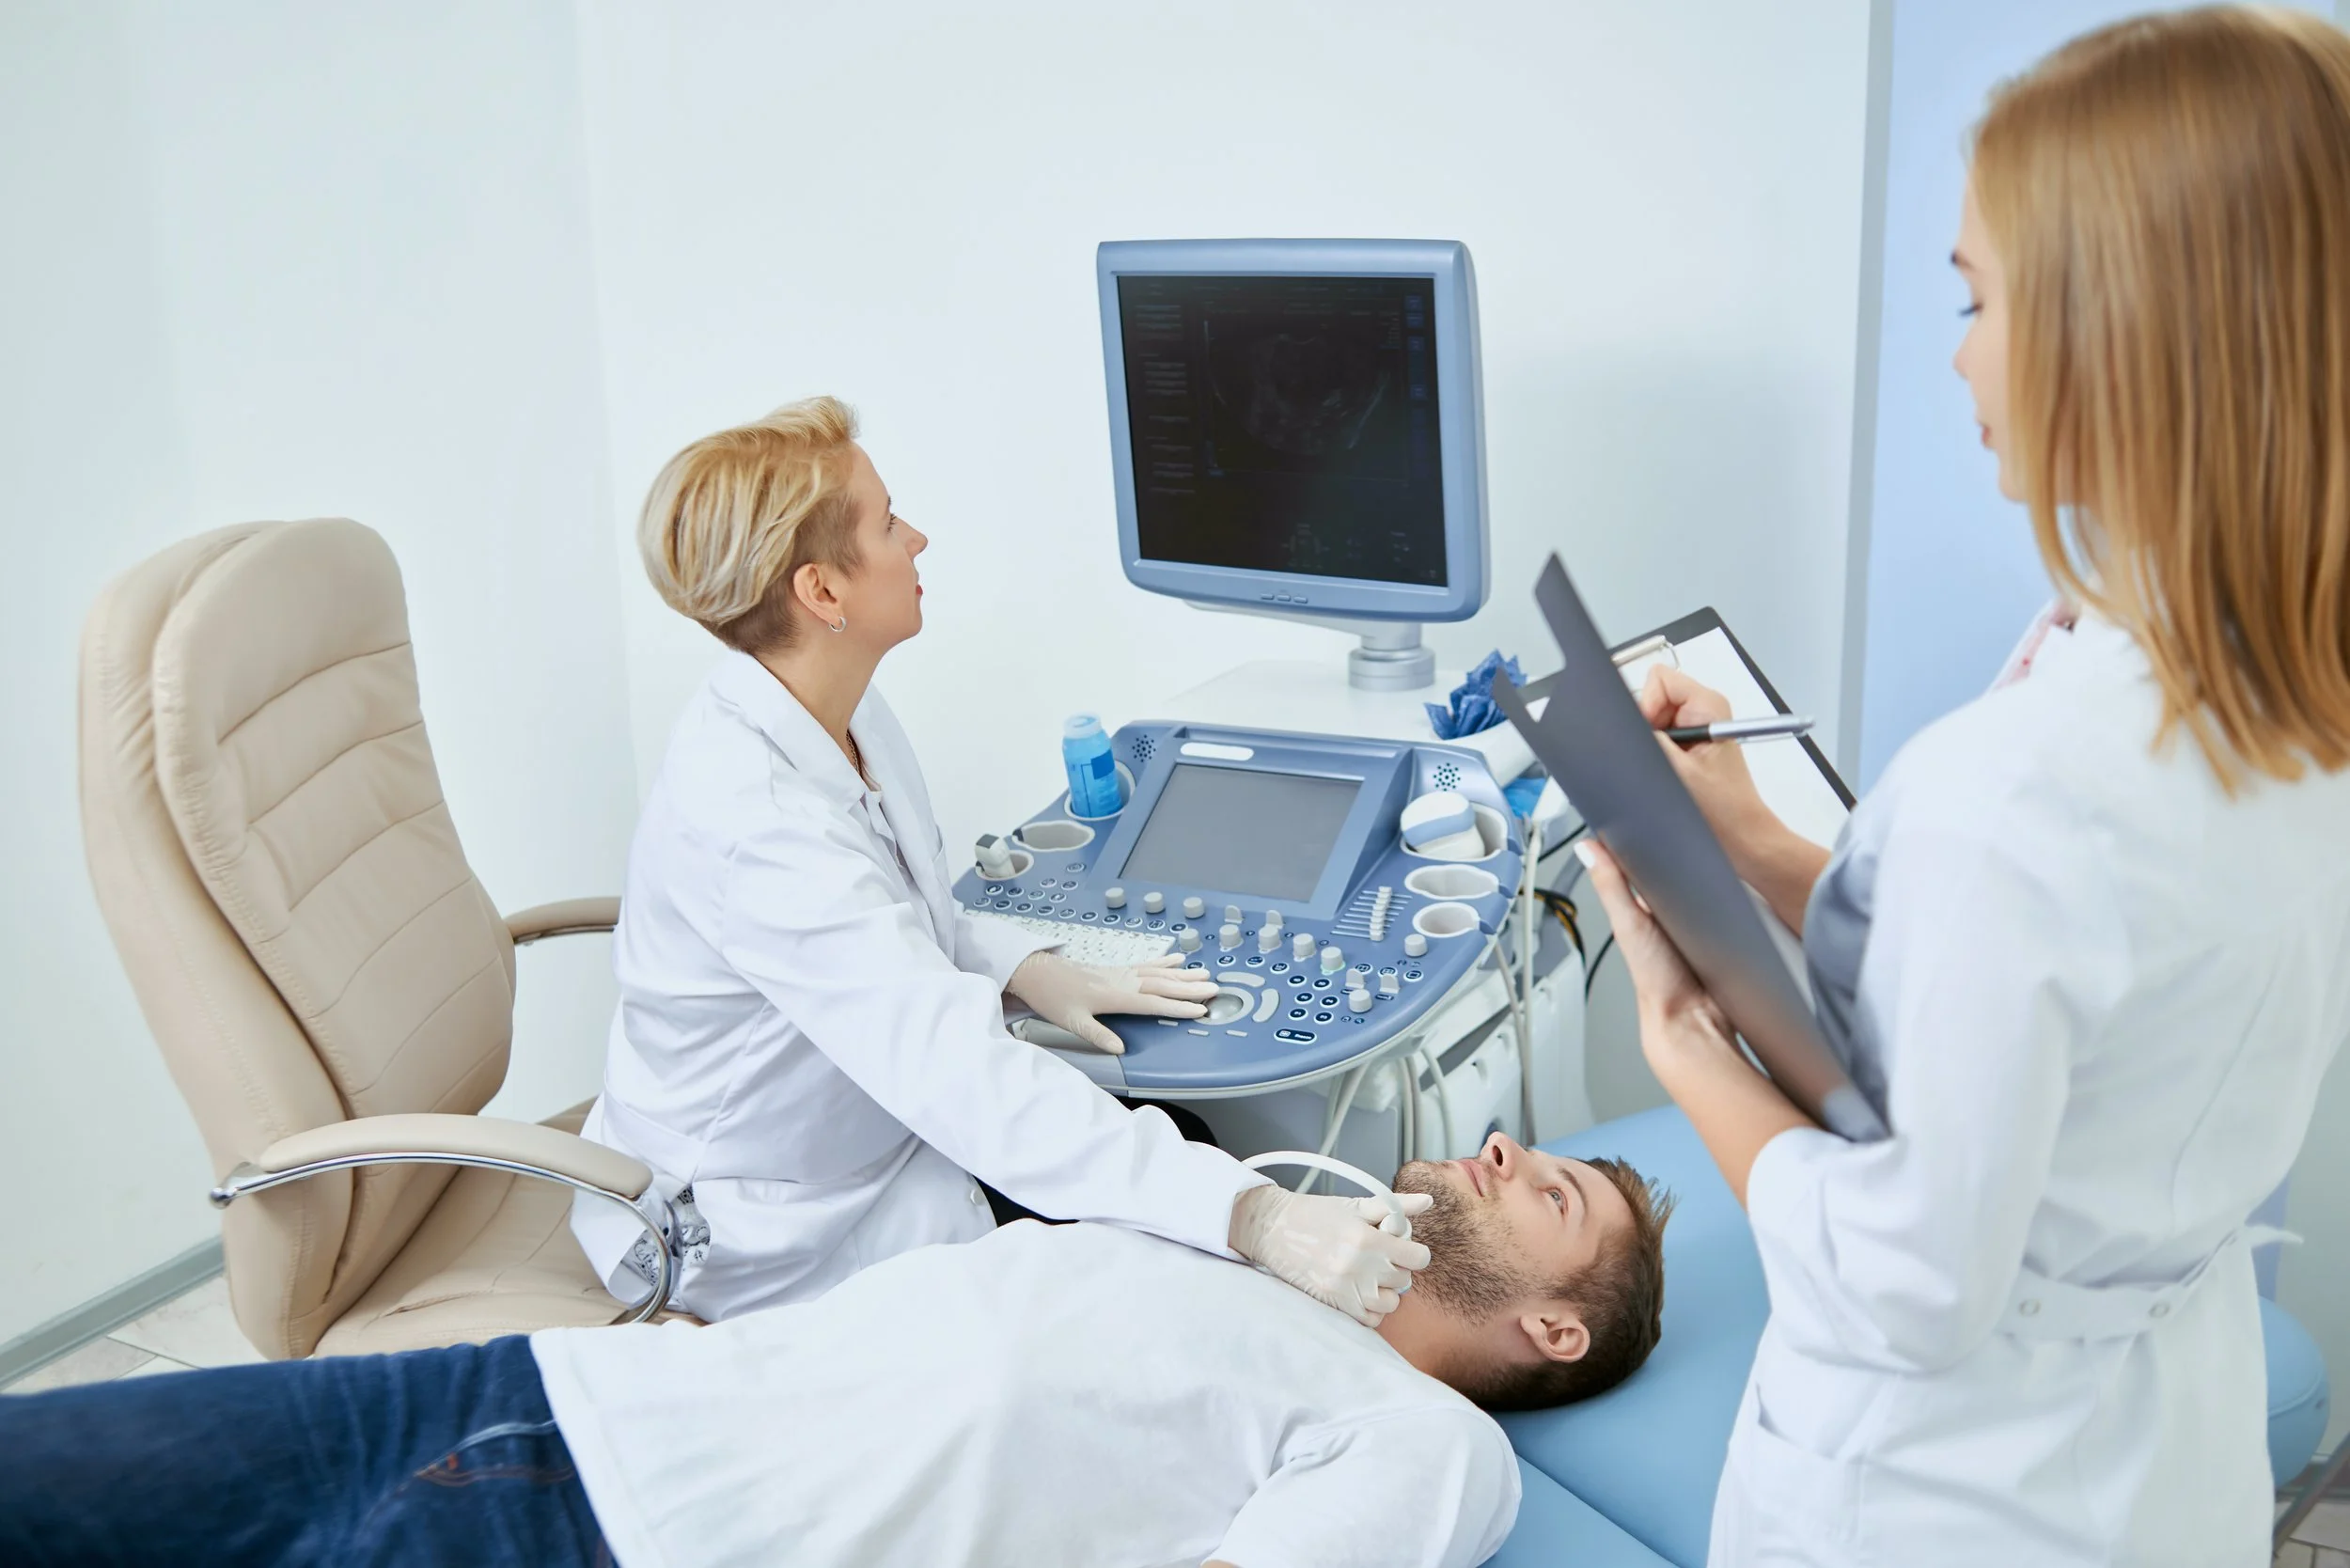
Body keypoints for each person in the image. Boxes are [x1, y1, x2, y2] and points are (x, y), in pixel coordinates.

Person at [1574, 9, 2350, 1565]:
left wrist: (1683, 1044)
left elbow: (1904, 1286)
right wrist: (1770, 849)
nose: (1959, 350)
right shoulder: (2284, 696)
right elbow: (2062, 970)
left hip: (1937, 1499)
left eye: (1978, 298)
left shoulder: (2021, 785)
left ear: (2114, 331)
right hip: (2152, 1461)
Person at [572, 397, 1429, 1325]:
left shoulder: (833, 708)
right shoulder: (754, 826)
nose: (920, 540)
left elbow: (893, 911)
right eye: (890, 523)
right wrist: (1259, 1218)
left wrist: (1029, 968)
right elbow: (958, 1075)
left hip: (869, 1145)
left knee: (1183, 1150)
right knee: (1174, 1268)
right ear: (823, 593)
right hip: (755, 1232)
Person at [0, 1136, 1671, 1568]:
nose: (1510, 1146)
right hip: (536, 1385)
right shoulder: (1242, 1247)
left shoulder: (1432, 1446)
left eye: (1559, 1190)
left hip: (605, 1535)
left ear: (1552, 1324)